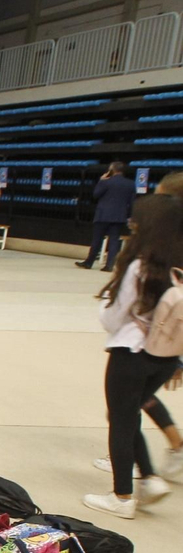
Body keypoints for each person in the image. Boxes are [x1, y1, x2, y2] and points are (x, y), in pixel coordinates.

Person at [85, 193, 183, 519]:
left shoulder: (141, 264)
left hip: (131, 352)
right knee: (131, 413)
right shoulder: (177, 265)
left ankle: (122, 495)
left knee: (121, 419)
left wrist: (104, 308)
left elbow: (114, 317)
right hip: (166, 357)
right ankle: (150, 477)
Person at [78, 161, 136, 271]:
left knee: (97, 239)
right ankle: (109, 264)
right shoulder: (130, 183)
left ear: (111, 170)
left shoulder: (106, 182)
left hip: (103, 214)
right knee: (114, 240)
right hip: (119, 215)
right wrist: (128, 215)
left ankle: (89, 262)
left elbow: (96, 194)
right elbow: (131, 202)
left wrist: (101, 181)